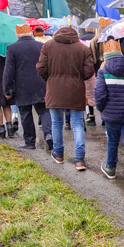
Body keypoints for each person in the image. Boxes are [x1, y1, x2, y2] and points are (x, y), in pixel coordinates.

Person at [36, 24, 95, 170]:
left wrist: (50, 79)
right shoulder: (82, 48)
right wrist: (77, 78)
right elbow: (89, 71)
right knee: (77, 124)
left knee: (56, 123)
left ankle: (59, 154)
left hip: (54, 89)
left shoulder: (48, 46)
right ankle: (80, 159)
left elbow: (41, 67)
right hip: (76, 89)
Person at [95, 39, 124, 186]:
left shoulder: (103, 71)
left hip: (111, 114)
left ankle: (110, 168)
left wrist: (102, 109)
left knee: (113, 141)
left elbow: (100, 94)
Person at [3, 23, 52, 151]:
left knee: (25, 113)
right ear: (31, 33)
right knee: (44, 110)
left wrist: (7, 89)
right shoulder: (41, 46)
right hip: (41, 84)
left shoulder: (12, 48)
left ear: (17, 35)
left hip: (22, 86)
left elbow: (9, 70)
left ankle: (30, 142)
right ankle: (49, 134)